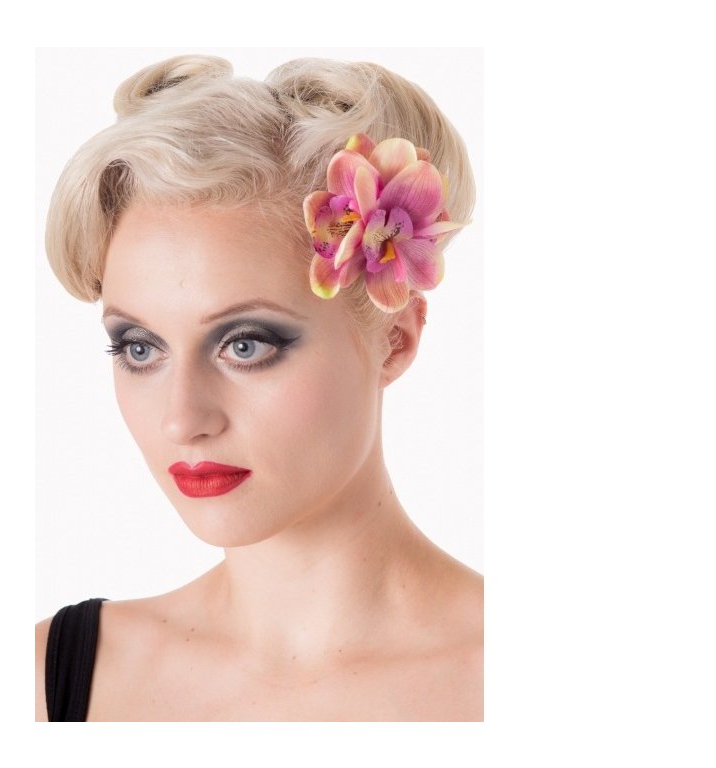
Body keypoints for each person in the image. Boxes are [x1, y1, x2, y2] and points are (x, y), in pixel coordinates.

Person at [35, 54, 481, 721]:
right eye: (139, 347)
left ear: (396, 338)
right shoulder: (50, 681)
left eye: (245, 345)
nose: (182, 420)